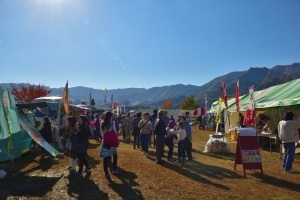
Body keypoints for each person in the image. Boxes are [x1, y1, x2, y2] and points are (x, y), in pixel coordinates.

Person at [100, 111, 119, 178]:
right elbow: (115, 132)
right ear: (111, 116)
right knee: (115, 155)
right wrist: (116, 140)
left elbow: (101, 133)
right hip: (112, 142)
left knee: (105, 158)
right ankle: (114, 169)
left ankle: (106, 173)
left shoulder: (102, 123)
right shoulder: (112, 123)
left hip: (105, 142)